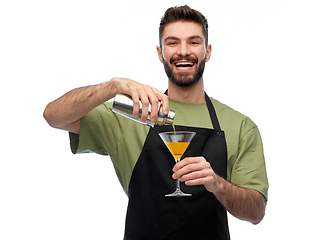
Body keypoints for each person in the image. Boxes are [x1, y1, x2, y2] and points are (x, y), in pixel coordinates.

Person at [44, 5, 268, 240]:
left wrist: (217, 184)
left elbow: (256, 212)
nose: (183, 51)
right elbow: (53, 115)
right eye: (172, 43)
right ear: (160, 53)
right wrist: (114, 86)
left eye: (193, 42)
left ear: (207, 51)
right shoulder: (132, 116)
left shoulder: (240, 126)